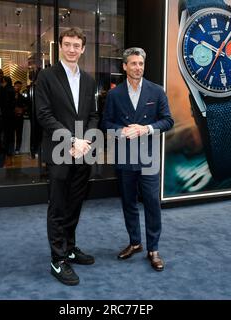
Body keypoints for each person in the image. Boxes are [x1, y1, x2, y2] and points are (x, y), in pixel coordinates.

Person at [36, 27, 99, 286]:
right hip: (59, 150)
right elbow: (44, 114)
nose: (72, 49)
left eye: (77, 45)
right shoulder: (46, 76)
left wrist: (85, 143)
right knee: (58, 206)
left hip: (82, 151)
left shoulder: (89, 79)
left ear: (83, 49)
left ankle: (70, 248)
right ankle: (58, 259)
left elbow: (94, 115)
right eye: (68, 44)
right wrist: (71, 140)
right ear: (60, 46)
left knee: (75, 204)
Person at [101, 47, 174, 271]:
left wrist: (146, 129)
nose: (137, 68)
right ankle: (135, 243)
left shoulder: (157, 91)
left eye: (141, 64)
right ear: (124, 66)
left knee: (152, 203)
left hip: (149, 156)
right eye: (133, 63)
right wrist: (122, 131)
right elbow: (105, 124)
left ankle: (153, 249)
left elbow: (168, 121)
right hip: (124, 156)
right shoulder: (114, 94)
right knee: (128, 202)